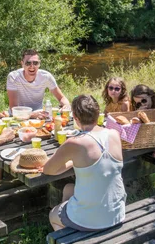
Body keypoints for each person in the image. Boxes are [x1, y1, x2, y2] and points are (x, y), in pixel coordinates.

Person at [43, 94, 126, 231]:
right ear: (98, 113)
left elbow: (48, 169)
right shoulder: (114, 134)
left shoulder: (75, 143)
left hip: (92, 221)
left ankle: (71, 232)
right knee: (69, 188)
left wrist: (70, 161)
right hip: (116, 214)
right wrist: (73, 162)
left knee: (53, 215)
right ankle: (74, 223)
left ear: (75, 117)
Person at [6, 49, 70, 119]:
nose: (32, 66)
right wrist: (31, 114)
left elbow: (61, 98)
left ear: (39, 64)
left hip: (39, 115)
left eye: (35, 63)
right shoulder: (13, 77)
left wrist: (66, 106)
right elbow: (13, 108)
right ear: (22, 64)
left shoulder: (46, 76)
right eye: (28, 63)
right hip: (18, 116)